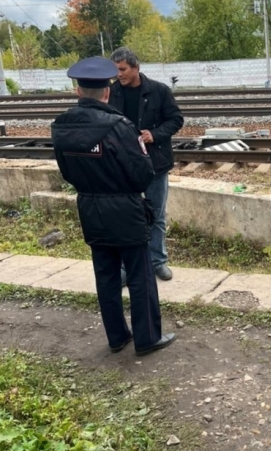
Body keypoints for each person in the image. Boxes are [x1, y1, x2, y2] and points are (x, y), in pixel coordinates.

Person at [51, 56, 176, 357]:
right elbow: (142, 174)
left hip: (90, 208)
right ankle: (147, 338)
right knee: (140, 275)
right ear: (107, 93)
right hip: (125, 211)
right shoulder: (119, 126)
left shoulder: (61, 127)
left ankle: (117, 336)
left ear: (78, 91)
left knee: (105, 276)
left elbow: (67, 172)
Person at [108, 47, 184, 284]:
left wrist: (155, 134)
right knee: (124, 216)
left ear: (135, 67)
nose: (118, 74)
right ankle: (125, 267)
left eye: (122, 70)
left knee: (157, 215)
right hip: (123, 164)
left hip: (155, 163)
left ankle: (157, 261)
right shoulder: (111, 93)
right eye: (115, 70)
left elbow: (176, 119)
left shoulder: (159, 91)